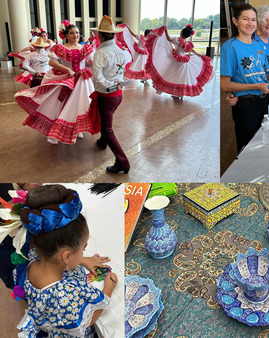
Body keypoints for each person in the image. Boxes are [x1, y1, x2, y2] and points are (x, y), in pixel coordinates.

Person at [12, 185, 117, 337]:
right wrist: (109, 287)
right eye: (83, 248)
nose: (84, 252)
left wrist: (82, 259)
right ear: (66, 257)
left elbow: (56, 258)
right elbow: (87, 320)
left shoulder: (33, 258)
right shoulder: (64, 297)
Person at [15, 20, 96, 144]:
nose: (76, 35)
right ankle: (58, 130)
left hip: (82, 80)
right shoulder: (60, 48)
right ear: (66, 35)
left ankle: (77, 129)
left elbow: (92, 61)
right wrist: (67, 69)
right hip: (67, 79)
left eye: (77, 33)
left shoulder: (84, 47)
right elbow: (51, 62)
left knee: (80, 104)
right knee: (62, 103)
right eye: (72, 33)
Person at [221, 4, 269, 153]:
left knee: (265, 144)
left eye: (253, 19)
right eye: (245, 19)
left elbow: (261, 74)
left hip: (265, 101)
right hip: (246, 105)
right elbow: (225, 84)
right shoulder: (230, 47)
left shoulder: (258, 44)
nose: (250, 23)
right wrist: (256, 86)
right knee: (247, 149)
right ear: (235, 20)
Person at [88, 15, 132, 174]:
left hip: (108, 96)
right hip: (119, 94)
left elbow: (97, 77)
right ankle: (102, 141)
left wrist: (109, 85)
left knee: (107, 129)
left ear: (100, 34)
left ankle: (123, 162)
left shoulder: (101, 52)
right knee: (106, 122)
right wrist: (116, 82)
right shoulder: (119, 49)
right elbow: (126, 62)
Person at [226, 5, 269, 108]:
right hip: (249, 97)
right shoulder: (252, 41)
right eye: (265, 20)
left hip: (266, 93)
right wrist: (229, 91)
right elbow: (240, 71)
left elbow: (260, 71)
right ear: (259, 22)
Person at [144, 23, 213, 99]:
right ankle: (180, 94)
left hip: (177, 61)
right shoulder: (188, 43)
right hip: (184, 62)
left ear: (181, 33)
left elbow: (168, 39)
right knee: (182, 78)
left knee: (172, 76)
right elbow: (192, 50)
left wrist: (166, 30)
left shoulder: (178, 40)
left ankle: (177, 93)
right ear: (188, 36)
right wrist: (199, 55)